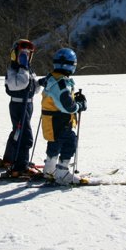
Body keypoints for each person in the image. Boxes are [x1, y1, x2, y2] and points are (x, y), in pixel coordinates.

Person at [40, 47, 87, 185]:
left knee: (54, 144)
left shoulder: (52, 78)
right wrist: (79, 106)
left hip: (51, 121)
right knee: (70, 142)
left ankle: (49, 169)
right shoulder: (61, 84)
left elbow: (45, 83)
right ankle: (62, 172)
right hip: (60, 121)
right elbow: (68, 106)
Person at [1, 39, 40, 178]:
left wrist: (40, 83)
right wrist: (23, 67)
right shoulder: (13, 70)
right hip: (18, 105)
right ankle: (20, 167)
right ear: (14, 55)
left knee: (18, 131)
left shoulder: (29, 69)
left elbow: (33, 89)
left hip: (28, 104)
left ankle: (10, 159)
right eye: (21, 54)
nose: (25, 56)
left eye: (28, 54)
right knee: (25, 136)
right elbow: (20, 84)